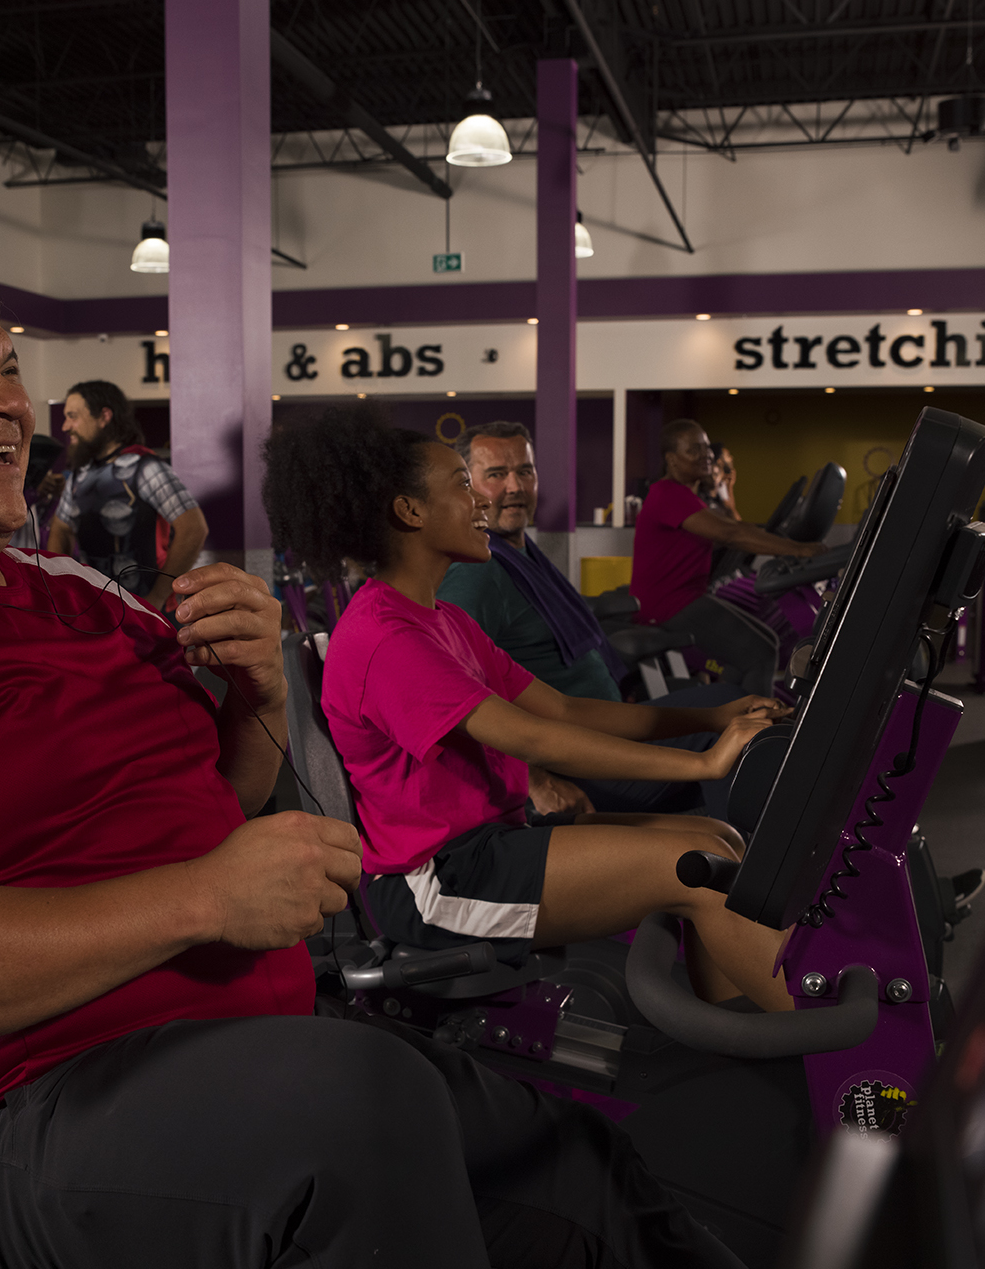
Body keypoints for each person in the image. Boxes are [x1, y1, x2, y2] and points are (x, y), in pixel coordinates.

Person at [0, 241, 772, 1269]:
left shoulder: (80, 596)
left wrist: (256, 699)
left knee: (564, 1159)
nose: (10, 399)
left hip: (227, 1051)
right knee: (349, 1118)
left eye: (8, 366)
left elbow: (217, 800)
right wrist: (204, 899)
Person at [262, 404, 794, 1009]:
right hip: (439, 880)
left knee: (717, 837)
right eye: (464, 485)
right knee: (702, 865)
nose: (481, 502)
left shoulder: (442, 619)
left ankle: (736, 1036)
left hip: (492, 841)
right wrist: (702, 764)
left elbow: (562, 711)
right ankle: (810, 1048)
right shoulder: (387, 638)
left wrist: (713, 720)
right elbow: (534, 739)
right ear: (410, 512)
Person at [435, 421, 744, 821]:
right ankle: (751, 853)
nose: (515, 486)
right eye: (496, 474)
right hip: (577, 761)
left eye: (524, 471)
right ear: (469, 488)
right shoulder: (476, 573)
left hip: (600, 728)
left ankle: (738, 841)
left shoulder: (523, 554)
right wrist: (535, 781)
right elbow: (452, 693)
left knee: (728, 705)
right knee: (730, 725)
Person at [632, 419, 815, 626]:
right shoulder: (668, 495)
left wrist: (784, 542)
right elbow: (730, 534)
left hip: (688, 601)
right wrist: (799, 550)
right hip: (667, 607)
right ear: (672, 459)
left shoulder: (690, 499)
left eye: (706, 448)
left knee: (766, 633)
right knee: (759, 643)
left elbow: (736, 527)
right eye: (694, 450)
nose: (706, 455)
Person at [46, 381, 206, 609]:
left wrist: (156, 598)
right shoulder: (80, 475)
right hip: (96, 609)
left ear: (104, 417)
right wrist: (60, 589)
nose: (65, 426)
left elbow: (193, 529)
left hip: (148, 613)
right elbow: (61, 528)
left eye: (73, 416)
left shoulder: (147, 468)